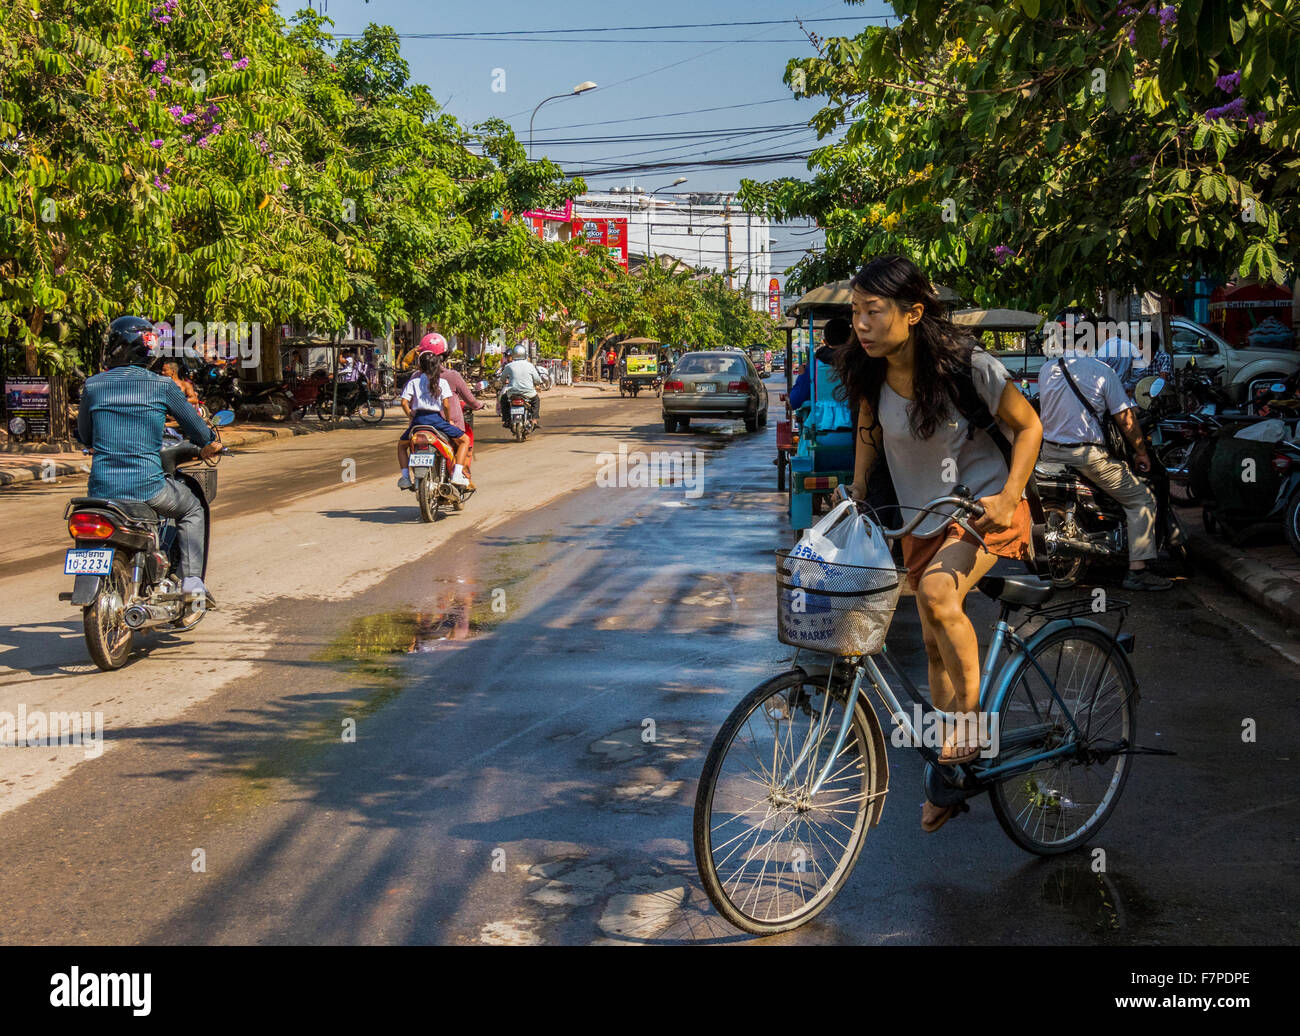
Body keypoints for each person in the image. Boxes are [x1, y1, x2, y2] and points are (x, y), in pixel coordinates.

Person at [836, 255, 1042, 834]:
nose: (862, 325)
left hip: (982, 507)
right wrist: (855, 490)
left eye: (873, 312)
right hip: (919, 517)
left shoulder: (965, 363)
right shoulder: (869, 371)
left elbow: (1029, 426)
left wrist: (1008, 497)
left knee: (937, 594)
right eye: (855, 313)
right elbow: (869, 433)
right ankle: (951, 781)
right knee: (931, 641)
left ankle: (971, 730)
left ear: (913, 312)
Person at [78, 316, 223, 605]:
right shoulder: (162, 385)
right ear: (150, 349)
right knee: (193, 507)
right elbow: (196, 428)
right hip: (147, 487)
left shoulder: (92, 385)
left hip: (100, 491)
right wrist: (209, 444)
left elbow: (85, 436)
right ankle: (192, 582)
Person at [1037, 345, 1174, 592]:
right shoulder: (1101, 371)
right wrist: (1141, 452)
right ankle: (1138, 571)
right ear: (1089, 343)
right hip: (1085, 455)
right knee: (1141, 500)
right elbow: (1125, 418)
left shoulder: (1047, 369)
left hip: (1050, 451)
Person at [419, 333, 485, 490]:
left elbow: (407, 401)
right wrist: (478, 405)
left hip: (421, 424)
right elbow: (469, 400)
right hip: (446, 425)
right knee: (464, 441)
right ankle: (461, 475)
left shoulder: (416, 376)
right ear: (443, 356)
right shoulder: (452, 376)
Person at [397, 351, 470, 490]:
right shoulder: (442, 382)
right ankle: (457, 475)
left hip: (418, 421)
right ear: (437, 366)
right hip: (436, 421)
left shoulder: (413, 382)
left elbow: (404, 403)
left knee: (401, 446)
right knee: (465, 440)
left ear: (420, 367)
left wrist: (411, 416)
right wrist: (448, 421)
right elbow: (447, 405)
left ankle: (405, 477)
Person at [790, 317, 853, 409]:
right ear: (850, 339)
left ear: (826, 342)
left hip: (822, 420)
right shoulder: (858, 362)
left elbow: (796, 401)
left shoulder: (814, 365)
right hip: (855, 418)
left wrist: (802, 376)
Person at [499, 344, 549, 426]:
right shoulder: (530, 366)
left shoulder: (509, 366)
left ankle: (506, 420)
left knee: (504, 400)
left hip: (512, 393)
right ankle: (534, 420)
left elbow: (502, 378)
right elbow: (536, 379)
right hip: (528, 393)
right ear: (525, 354)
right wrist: (537, 384)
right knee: (536, 401)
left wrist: (504, 381)